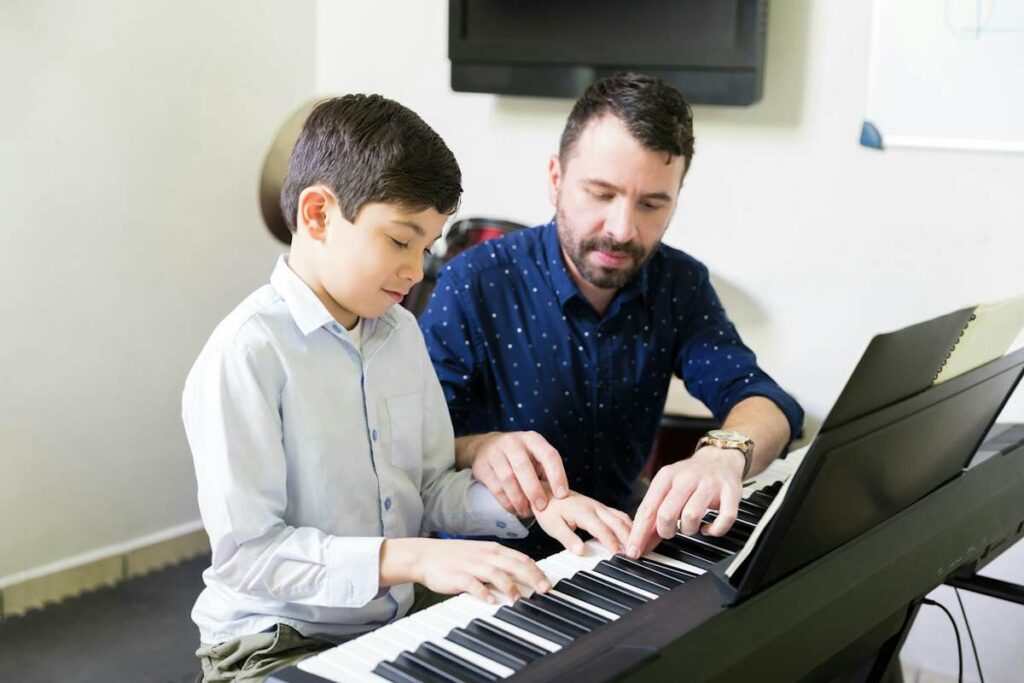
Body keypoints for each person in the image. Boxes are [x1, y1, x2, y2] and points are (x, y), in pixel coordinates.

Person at [182, 94, 631, 682]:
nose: (417, 271)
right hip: (272, 640)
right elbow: (250, 558)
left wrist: (536, 503)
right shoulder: (247, 353)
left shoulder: (401, 334)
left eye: (427, 247)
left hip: (386, 618)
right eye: (400, 241)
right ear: (318, 215)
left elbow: (430, 485)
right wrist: (418, 556)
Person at [420, 73, 804, 562]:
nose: (622, 230)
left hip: (619, 552)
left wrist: (722, 455)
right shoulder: (474, 280)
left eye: (650, 204)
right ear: (556, 179)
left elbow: (765, 400)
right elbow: (412, 444)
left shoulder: (679, 283)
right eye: (601, 195)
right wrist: (479, 448)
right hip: (491, 562)